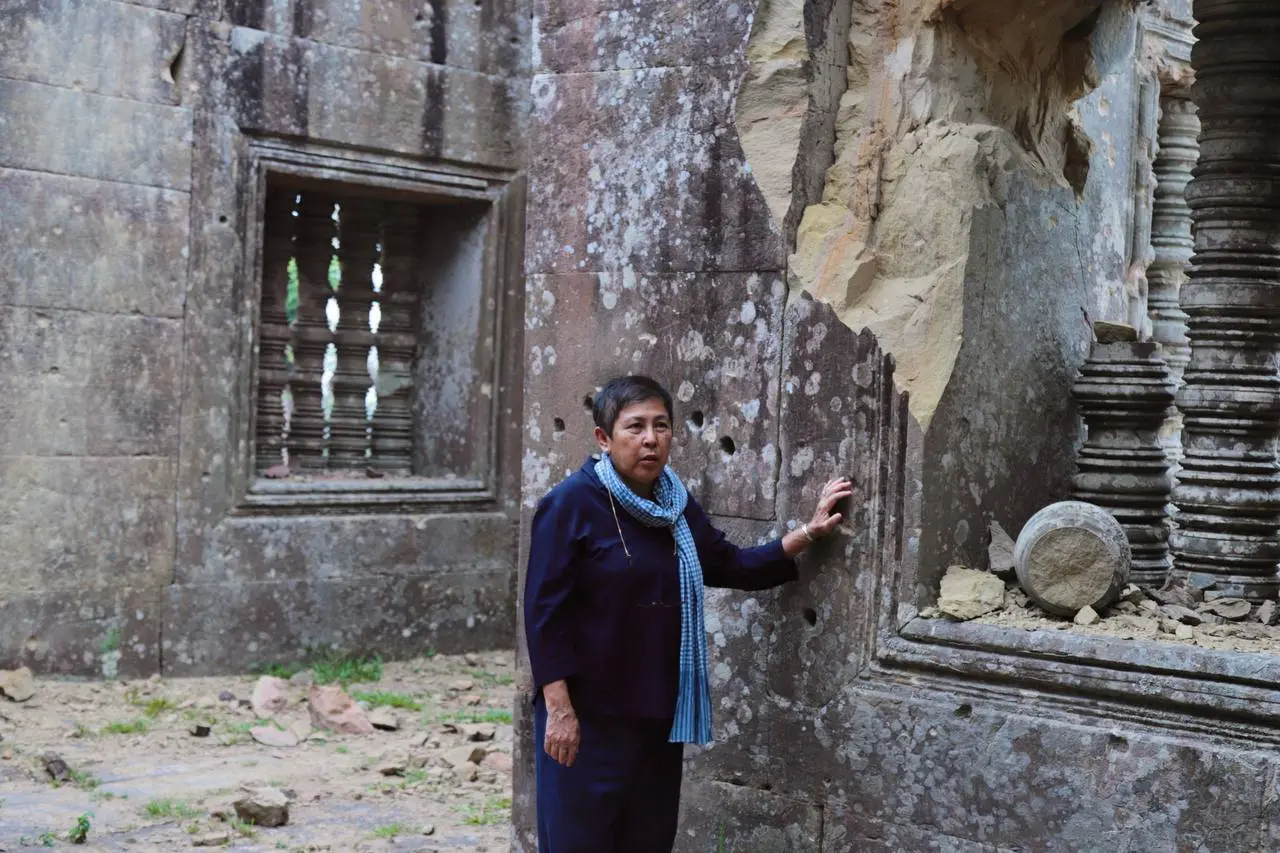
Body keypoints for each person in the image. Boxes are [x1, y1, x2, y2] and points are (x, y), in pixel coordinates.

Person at [524, 374, 852, 853]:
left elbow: (732, 565)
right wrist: (559, 711)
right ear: (603, 438)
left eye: (661, 426)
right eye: (634, 427)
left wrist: (808, 531)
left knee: (649, 842)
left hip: (657, 717)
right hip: (587, 721)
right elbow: (543, 614)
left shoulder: (672, 505)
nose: (651, 439)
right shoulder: (569, 505)